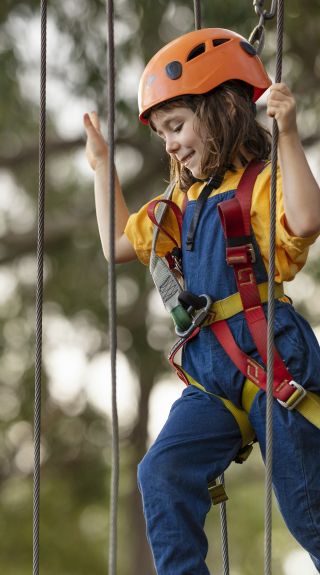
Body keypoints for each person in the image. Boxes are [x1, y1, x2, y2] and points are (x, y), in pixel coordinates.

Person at [84, 27, 320, 575]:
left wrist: (288, 134)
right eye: (162, 132)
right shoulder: (178, 205)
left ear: (224, 110)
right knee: (161, 472)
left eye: (177, 125)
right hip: (211, 371)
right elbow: (118, 243)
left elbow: (307, 219)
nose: (168, 144)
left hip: (272, 360)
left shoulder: (259, 186)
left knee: (307, 511)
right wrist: (102, 170)